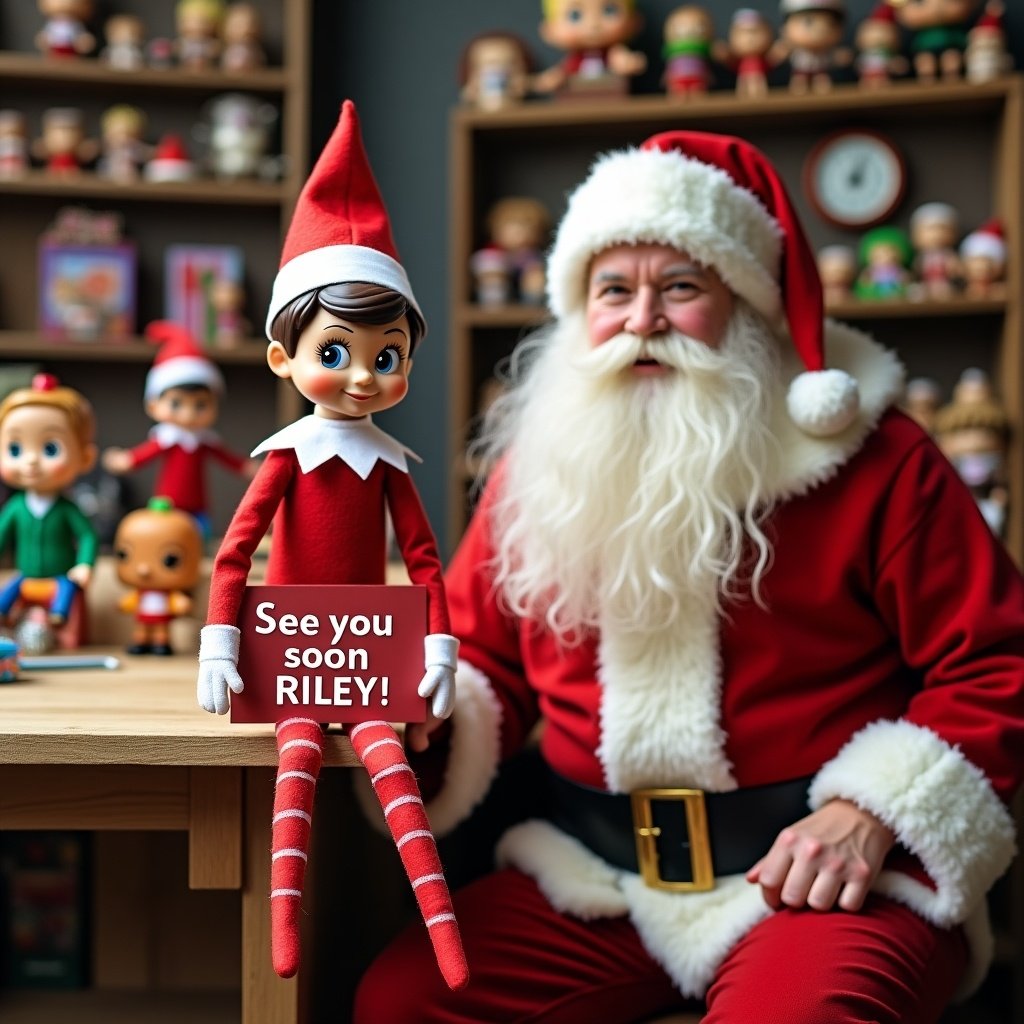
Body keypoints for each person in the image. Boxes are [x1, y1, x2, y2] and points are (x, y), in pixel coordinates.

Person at [354, 131, 1024, 1022]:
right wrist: (427, 717)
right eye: (613, 291)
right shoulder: (538, 470)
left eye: (679, 288)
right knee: (401, 1005)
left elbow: (996, 662)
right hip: (591, 875)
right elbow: (481, 657)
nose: (641, 321)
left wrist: (876, 813)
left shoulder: (876, 461)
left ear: (744, 304)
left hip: (821, 878)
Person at [194, 100, 467, 990]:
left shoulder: (390, 464)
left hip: (366, 659)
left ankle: (444, 937)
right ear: (283, 358)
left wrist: (438, 645)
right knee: (295, 775)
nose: (363, 375)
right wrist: (221, 638)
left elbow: (426, 561)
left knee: (394, 778)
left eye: (387, 357)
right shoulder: (286, 460)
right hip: (290, 657)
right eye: (339, 351)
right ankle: (282, 945)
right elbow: (234, 554)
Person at [102, 321, 252, 539]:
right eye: (176, 404)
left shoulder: (206, 440)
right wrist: (125, 460)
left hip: (199, 506)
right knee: (166, 538)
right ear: (153, 405)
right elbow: (143, 455)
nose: (188, 414)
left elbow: (229, 459)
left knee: (198, 539)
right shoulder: (166, 439)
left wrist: (248, 467)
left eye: (200, 405)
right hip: (166, 504)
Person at [0, 374, 98, 630]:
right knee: (7, 593)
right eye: (15, 450)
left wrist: (84, 564)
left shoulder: (67, 509)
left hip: (59, 577)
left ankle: (59, 618)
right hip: (26, 577)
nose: (30, 460)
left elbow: (87, 536)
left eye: (50, 449)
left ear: (85, 458)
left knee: (66, 592)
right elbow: (2, 536)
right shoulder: (16, 508)